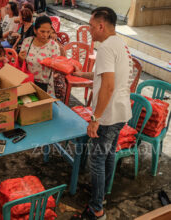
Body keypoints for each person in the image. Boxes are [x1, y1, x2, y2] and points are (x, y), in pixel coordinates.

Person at [70, 7, 132, 220]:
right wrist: (81, 73)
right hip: (121, 112)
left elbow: (108, 86)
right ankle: (102, 195)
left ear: (101, 25)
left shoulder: (105, 48)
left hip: (108, 115)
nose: (89, 29)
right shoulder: (120, 44)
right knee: (108, 156)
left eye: (90, 25)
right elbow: (102, 74)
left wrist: (95, 119)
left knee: (97, 160)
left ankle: (96, 210)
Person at [18, 16, 60, 96]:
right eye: (42, 31)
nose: (45, 35)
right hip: (28, 83)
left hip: (45, 86)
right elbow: (21, 64)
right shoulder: (27, 42)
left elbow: (56, 69)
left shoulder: (53, 46)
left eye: (48, 32)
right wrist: (20, 58)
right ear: (35, 30)